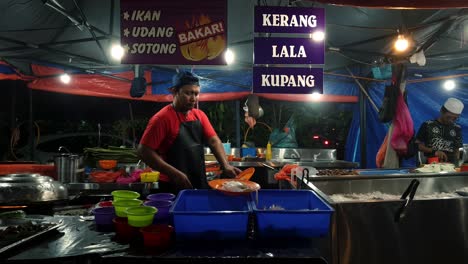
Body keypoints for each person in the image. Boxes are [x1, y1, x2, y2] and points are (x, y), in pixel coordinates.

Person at [137, 71, 241, 192]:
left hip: (198, 178)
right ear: (174, 91)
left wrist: (225, 165)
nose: (193, 99)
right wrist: (174, 173)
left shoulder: (199, 115)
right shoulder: (161, 119)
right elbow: (143, 151)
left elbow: (213, 140)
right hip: (172, 182)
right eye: (188, 93)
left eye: (196, 94)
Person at [415, 97, 464, 165]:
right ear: (441, 111)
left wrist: (457, 164)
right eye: (448, 117)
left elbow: (457, 149)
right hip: (431, 164)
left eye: (455, 118)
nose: (451, 120)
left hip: (451, 166)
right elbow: (417, 145)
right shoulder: (428, 125)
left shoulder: (457, 128)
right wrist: (434, 151)